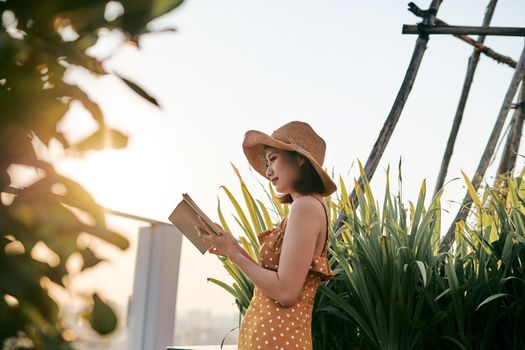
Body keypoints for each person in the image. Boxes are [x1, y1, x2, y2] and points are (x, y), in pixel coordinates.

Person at [195, 120, 337, 349]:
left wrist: (234, 254)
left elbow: (286, 291)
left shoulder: (305, 208)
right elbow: (274, 280)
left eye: (273, 159)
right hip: (272, 338)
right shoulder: (305, 208)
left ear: (299, 158)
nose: (268, 170)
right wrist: (231, 246)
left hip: (279, 340)